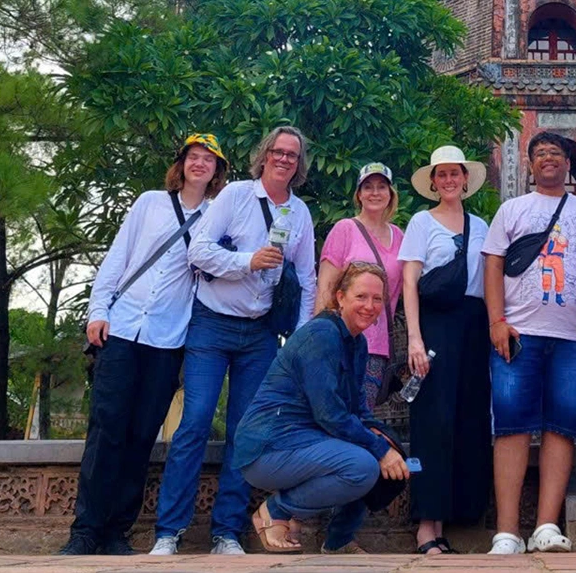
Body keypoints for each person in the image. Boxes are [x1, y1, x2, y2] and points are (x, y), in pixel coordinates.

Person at [151, 126, 317, 556]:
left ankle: (227, 531)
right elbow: (198, 251)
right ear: (264, 156)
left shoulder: (299, 214)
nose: (284, 160)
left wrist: (296, 342)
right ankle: (169, 531)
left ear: (299, 166)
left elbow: (309, 280)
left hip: (260, 332)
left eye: (292, 156)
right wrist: (248, 261)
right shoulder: (236, 196)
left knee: (247, 432)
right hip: (212, 323)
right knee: (196, 420)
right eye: (278, 152)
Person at [59, 134, 226, 556]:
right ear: (182, 163)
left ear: (217, 170)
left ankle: (117, 530)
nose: (200, 164)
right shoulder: (149, 202)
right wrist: (98, 310)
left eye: (208, 159)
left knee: (141, 435)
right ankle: (85, 530)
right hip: (123, 328)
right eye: (194, 157)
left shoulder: (216, 218)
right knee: (106, 430)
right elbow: (118, 256)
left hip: (168, 339)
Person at [481, 132, 576, 554]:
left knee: (562, 426)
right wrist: (496, 320)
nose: (549, 159)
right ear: (529, 164)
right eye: (540, 154)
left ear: (570, 164)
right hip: (519, 331)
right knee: (512, 425)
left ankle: (547, 525)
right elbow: (493, 264)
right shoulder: (511, 209)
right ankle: (506, 530)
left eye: (556, 153)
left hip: (572, 335)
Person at [235, 262, 409, 554]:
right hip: (268, 448)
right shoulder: (321, 335)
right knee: (364, 464)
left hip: (304, 443)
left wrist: (386, 442)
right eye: (361, 297)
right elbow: (330, 415)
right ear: (340, 297)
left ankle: (339, 540)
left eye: (377, 299)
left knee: (382, 453)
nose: (370, 306)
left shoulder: (358, 343)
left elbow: (357, 412)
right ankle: (275, 510)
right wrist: (379, 450)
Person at [398, 145, 492, 554]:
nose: (449, 180)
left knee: (468, 420)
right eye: (442, 175)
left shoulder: (482, 226)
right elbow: (409, 282)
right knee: (432, 422)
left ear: (465, 179)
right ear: (433, 182)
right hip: (435, 326)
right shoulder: (422, 221)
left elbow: (490, 284)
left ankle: (455, 516)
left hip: (473, 327)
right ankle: (425, 524)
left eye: (456, 173)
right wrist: (415, 339)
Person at [316, 163, 405, 409]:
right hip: (344, 341)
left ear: (391, 194)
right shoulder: (345, 229)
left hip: (379, 346)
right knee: (336, 413)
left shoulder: (400, 237)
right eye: (368, 187)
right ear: (359, 194)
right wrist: (321, 341)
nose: (375, 193)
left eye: (381, 187)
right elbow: (325, 288)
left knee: (364, 415)